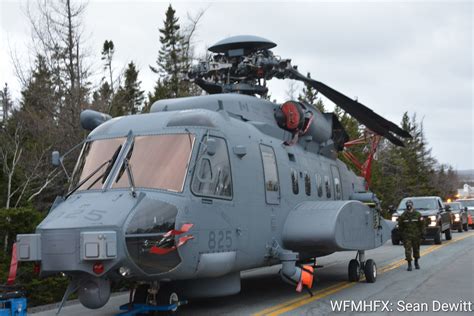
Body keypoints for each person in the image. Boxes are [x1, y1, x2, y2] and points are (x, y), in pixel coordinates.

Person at [398, 200, 425, 271]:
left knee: (416, 249)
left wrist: (423, 234)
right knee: (408, 250)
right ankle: (409, 264)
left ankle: (416, 262)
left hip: (416, 235)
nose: (409, 206)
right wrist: (400, 235)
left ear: (412, 205)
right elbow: (400, 226)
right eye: (408, 205)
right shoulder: (403, 216)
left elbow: (422, 225)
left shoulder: (418, 214)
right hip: (407, 236)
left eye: (410, 205)